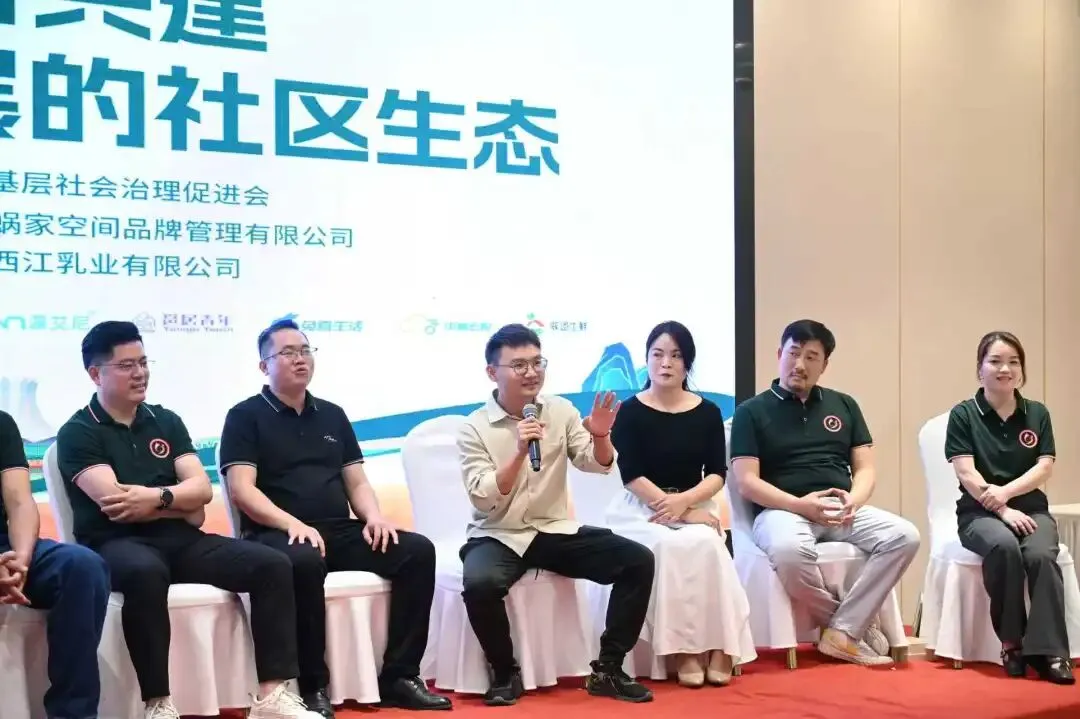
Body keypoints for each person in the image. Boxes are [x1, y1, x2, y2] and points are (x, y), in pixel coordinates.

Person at [55, 321, 323, 719]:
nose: (140, 373)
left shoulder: (166, 421)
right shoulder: (78, 432)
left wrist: (159, 498)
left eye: (144, 362)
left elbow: (201, 491)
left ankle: (271, 696)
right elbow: (117, 503)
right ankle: (158, 702)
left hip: (180, 540)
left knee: (271, 564)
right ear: (96, 374)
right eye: (127, 365)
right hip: (115, 543)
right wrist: (181, 502)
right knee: (145, 572)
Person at [218, 319, 451, 715]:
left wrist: (374, 516)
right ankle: (313, 685)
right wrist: (292, 524)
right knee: (305, 561)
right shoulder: (244, 416)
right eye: (287, 353)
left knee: (416, 551)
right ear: (263, 366)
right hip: (275, 533)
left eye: (305, 351)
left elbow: (356, 481)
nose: (300, 359)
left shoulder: (332, 414)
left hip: (337, 529)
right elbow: (242, 490)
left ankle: (400, 675)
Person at [458, 324, 656, 706]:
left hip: (552, 529)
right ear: (492, 372)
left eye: (537, 362)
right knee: (480, 583)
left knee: (637, 561)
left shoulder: (561, 410)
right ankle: (505, 672)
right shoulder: (473, 428)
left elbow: (595, 464)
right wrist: (519, 451)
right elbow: (483, 498)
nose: (531, 372)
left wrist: (601, 435)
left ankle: (608, 670)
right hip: (498, 532)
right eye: (519, 365)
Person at [729, 319, 920, 667]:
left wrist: (855, 500)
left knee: (904, 536)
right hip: (782, 510)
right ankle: (847, 628)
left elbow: (865, 468)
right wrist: (798, 504)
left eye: (811, 357)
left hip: (839, 508)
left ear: (824, 365)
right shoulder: (750, 411)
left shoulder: (844, 404)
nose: (800, 364)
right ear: (779, 354)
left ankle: (842, 632)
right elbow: (747, 482)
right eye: (794, 353)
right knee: (788, 551)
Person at [605, 321, 756, 687]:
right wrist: (677, 510)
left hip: (692, 503)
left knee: (709, 545)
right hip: (642, 508)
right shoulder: (629, 411)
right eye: (657, 354)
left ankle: (722, 645)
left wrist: (687, 504)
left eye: (675, 355)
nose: (666, 363)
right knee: (667, 547)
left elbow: (717, 473)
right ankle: (684, 649)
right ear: (646, 360)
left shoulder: (707, 412)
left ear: (687, 363)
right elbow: (631, 474)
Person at [945, 331, 1074, 684]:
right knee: (1004, 547)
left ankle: (1050, 652)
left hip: (1031, 509)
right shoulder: (964, 414)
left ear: (1022, 370)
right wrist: (1001, 509)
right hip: (978, 512)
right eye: (995, 361)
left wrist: (1006, 494)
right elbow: (966, 473)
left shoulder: (1037, 413)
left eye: (1013, 362)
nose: (1005, 369)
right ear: (980, 369)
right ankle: (1012, 643)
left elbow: (1044, 467)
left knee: (1041, 555)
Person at [2, 410, 110, 719]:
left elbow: (20, 502)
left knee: (82, 566)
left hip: (7, 548)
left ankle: (73, 713)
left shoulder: (2, 423)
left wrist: (21, 561)